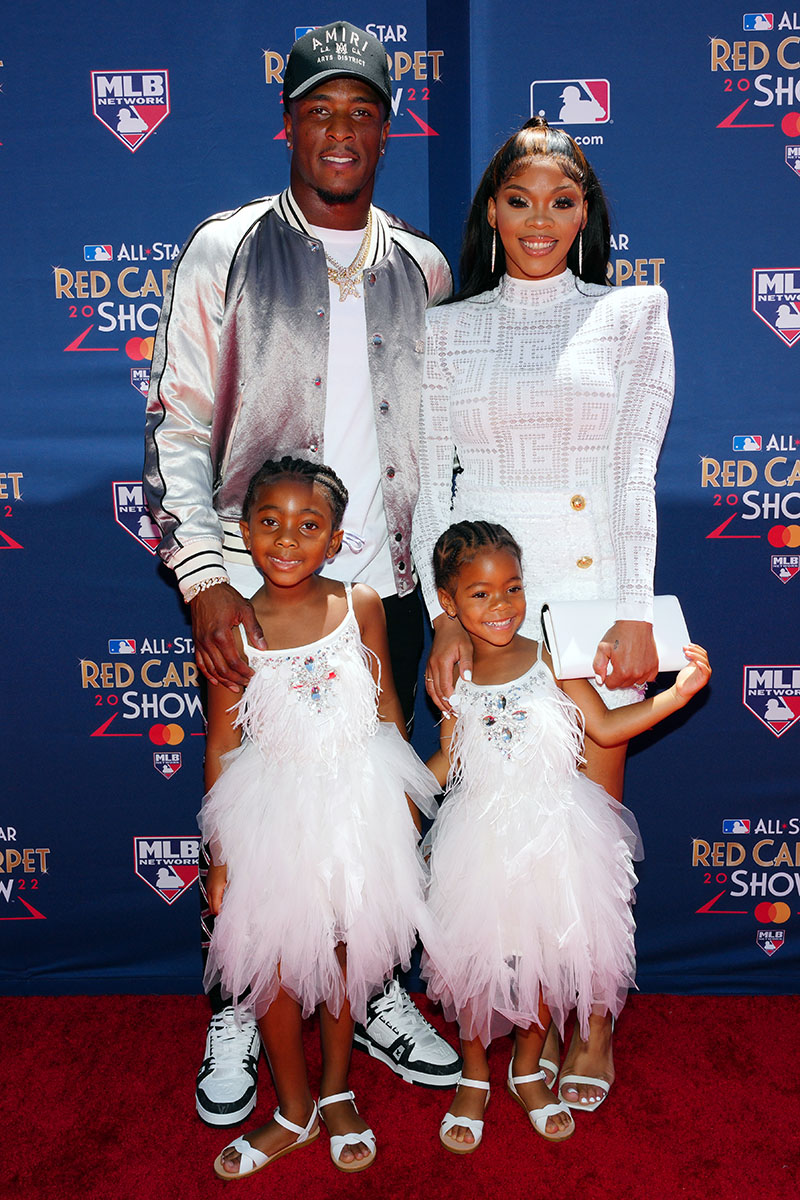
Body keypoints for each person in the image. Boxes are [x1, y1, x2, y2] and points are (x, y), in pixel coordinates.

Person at [143, 21, 459, 1123]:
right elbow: (179, 427)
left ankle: (366, 986)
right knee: (248, 808)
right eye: (319, 110)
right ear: (287, 123)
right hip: (254, 586)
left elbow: (446, 443)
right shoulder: (223, 247)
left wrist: (450, 592)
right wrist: (203, 576)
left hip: (387, 592)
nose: (340, 130)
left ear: (386, 127)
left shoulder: (423, 266)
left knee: (376, 811)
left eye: (360, 112)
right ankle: (240, 992)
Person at [411, 116, 675, 1109]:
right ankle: (516, 1015)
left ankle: (592, 1019)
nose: (537, 219)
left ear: (584, 215)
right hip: (484, 610)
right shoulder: (443, 328)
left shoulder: (633, 313)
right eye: (518, 200)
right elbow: (435, 486)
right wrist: (443, 614)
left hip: (590, 596)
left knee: (589, 834)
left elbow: (632, 475)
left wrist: (634, 608)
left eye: (560, 202)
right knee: (493, 829)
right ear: (490, 209)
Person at [422, 521, 710, 1152]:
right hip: (481, 840)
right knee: (478, 963)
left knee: (547, 959)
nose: (500, 606)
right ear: (447, 603)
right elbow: (450, 760)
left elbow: (605, 727)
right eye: (479, 594)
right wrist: (396, 783)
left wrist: (678, 694)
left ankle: (528, 1071)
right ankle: (474, 1075)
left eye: (513, 588)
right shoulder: (452, 681)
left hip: (557, 833)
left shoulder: (552, 660)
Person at [203, 456, 439, 1179]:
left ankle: (336, 1091)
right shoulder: (232, 630)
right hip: (270, 815)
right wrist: (220, 855)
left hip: (357, 806)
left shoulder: (361, 602)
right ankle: (293, 1109)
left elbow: (389, 708)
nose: (286, 539)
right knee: (271, 969)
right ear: (243, 533)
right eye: (269, 522)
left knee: (344, 957)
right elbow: (222, 744)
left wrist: (402, 813)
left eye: (309, 526)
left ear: (335, 540)